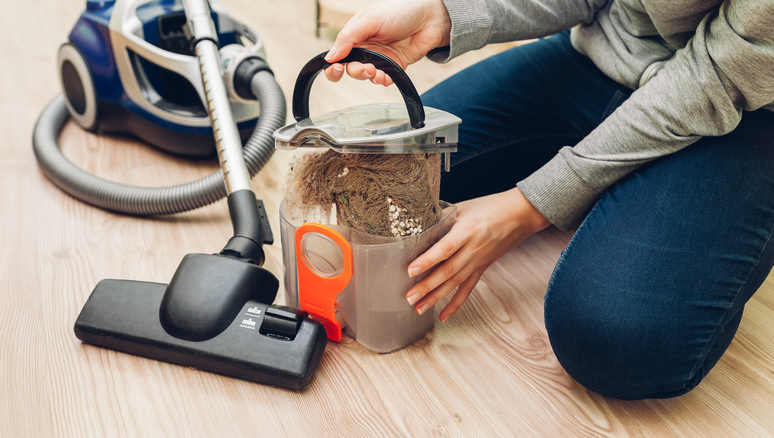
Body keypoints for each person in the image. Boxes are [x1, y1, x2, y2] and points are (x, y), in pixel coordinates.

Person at [322, 0, 774, 400]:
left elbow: (717, 76)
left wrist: (528, 208)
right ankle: (614, 185)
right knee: (371, 178)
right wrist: (442, 15)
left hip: (743, 105)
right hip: (611, 55)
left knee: (615, 342)